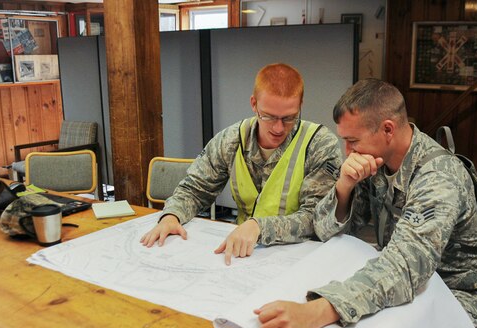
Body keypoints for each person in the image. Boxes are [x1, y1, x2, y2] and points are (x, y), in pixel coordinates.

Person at [254, 79, 477, 328]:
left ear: (387, 129)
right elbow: (325, 230)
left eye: (352, 141)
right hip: (410, 285)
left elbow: (406, 266)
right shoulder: (376, 162)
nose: (347, 151)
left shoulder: (439, 177)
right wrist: (344, 187)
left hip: (458, 291)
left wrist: (315, 312)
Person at [140, 63, 343, 265]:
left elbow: (316, 218)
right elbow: (195, 189)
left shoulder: (319, 144)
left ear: (300, 105)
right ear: (253, 104)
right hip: (245, 255)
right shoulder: (232, 139)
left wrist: (259, 228)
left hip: (301, 257)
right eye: (269, 116)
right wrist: (172, 215)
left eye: (289, 118)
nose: (279, 128)